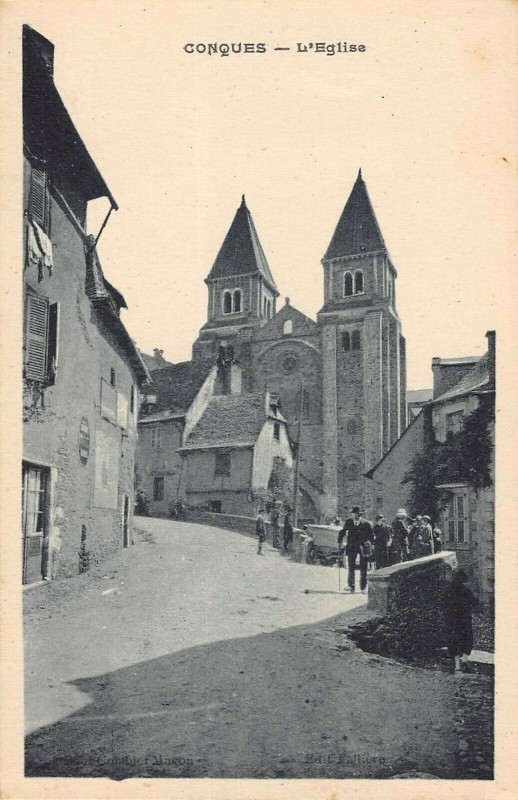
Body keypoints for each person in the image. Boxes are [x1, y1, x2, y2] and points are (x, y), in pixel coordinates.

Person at [445, 568, 481, 672]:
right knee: (466, 638)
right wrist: (476, 597)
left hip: (452, 620)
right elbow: (474, 602)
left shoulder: (448, 590)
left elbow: (443, 603)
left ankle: (457, 665)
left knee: (454, 640)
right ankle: (464, 660)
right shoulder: (466, 591)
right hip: (464, 619)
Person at [338, 505, 374, 593]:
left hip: (363, 547)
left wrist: (369, 543)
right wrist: (339, 542)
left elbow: (371, 536)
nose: (354, 515)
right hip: (351, 547)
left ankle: (363, 587)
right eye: (353, 514)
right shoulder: (349, 521)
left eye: (356, 514)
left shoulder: (366, 523)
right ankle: (351, 586)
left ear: (359, 514)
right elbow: (342, 532)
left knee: (363, 567)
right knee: (351, 567)